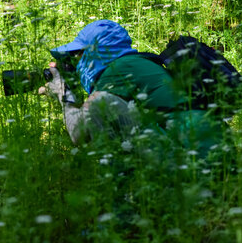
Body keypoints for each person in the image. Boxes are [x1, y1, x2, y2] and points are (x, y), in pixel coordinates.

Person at [42, 20, 231, 160]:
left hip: (193, 163)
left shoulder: (118, 70)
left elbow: (79, 132)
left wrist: (64, 92)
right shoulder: (137, 64)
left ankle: (124, 206)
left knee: (102, 104)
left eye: (78, 55)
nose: (75, 63)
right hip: (215, 159)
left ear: (97, 51)